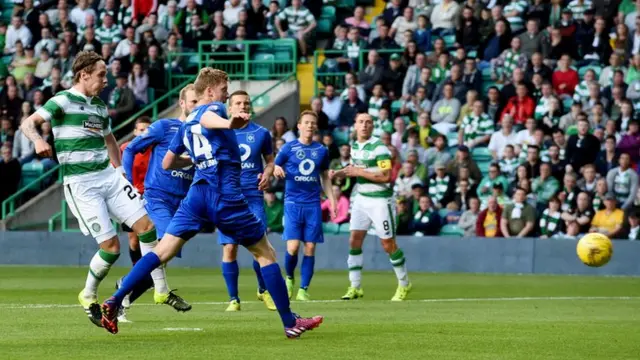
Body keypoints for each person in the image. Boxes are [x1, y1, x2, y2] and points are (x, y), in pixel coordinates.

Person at [101, 68, 324, 337]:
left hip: (196, 195)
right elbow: (209, 117)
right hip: (225, 194)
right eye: (223, 88)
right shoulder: (214, 109)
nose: (226, 93)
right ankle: (290, 322)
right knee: (266, 253)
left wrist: (199, 158)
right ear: (209, 91)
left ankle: (115, 300)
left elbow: (167, 162)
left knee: (162, 251)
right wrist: (230, 123)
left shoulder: (183, 125)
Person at [19, 51, 178, 328]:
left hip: (109, 176)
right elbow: (28, 123)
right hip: (82, 184)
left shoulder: (99, 107)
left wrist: (121, 173)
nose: (107, 80)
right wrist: (36, 140)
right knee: (111, 248)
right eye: (101, 75)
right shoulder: (62, 101)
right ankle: (88, 294)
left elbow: (110, 141)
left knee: (147, 226)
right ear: (84, 75)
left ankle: (161, 290)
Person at [118, 85, 198, 321]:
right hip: (157, 197)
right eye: (193, 102)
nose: (197, 106)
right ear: (182, 104)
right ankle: (160, 292)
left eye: (199, 102)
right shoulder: (165, 127)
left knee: (162, 255)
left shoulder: (203, 134)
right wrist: (129, 184)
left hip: (182, 204)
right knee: (162, 247)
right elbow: (130, 149)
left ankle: (125, 290)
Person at [331, 113, 412, 301]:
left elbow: (386, 176)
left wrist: (358, 171)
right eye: (361, 122)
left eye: (368, 122)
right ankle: (355, 286)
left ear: (373, 126)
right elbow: (354, 168)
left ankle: (404, 283)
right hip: (361, 198)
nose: (364, 125)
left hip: (380, 201)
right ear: (355, 125)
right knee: (354, 241)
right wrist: (339, 173)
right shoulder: (356, 146)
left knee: (388, 244)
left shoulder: (380, 148)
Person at [217, 91, 277, 311]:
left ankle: (263, 290)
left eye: (246, 103)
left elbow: (270, 162)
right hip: (229, 198)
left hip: (252, 197)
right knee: (230, 247)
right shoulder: (221, 132)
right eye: (238, 103)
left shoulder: (261, 133)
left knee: (258, 246)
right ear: (230, 108)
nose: (243, 106)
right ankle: (234, 299)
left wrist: (268, 174)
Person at [273, 110, 336, 301]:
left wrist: (332, 200)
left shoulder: (321, 150)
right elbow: (275, 165)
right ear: (299, 126)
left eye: (312, 123)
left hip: (313, 205)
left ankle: (303, 289)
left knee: (310, 247)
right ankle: (290, 277)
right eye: (306, 122)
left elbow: (324, 176)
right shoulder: (288, 148)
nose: (310, 125)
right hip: (292, 203)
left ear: (315, 126)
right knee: (292, 248)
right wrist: (276, 168)